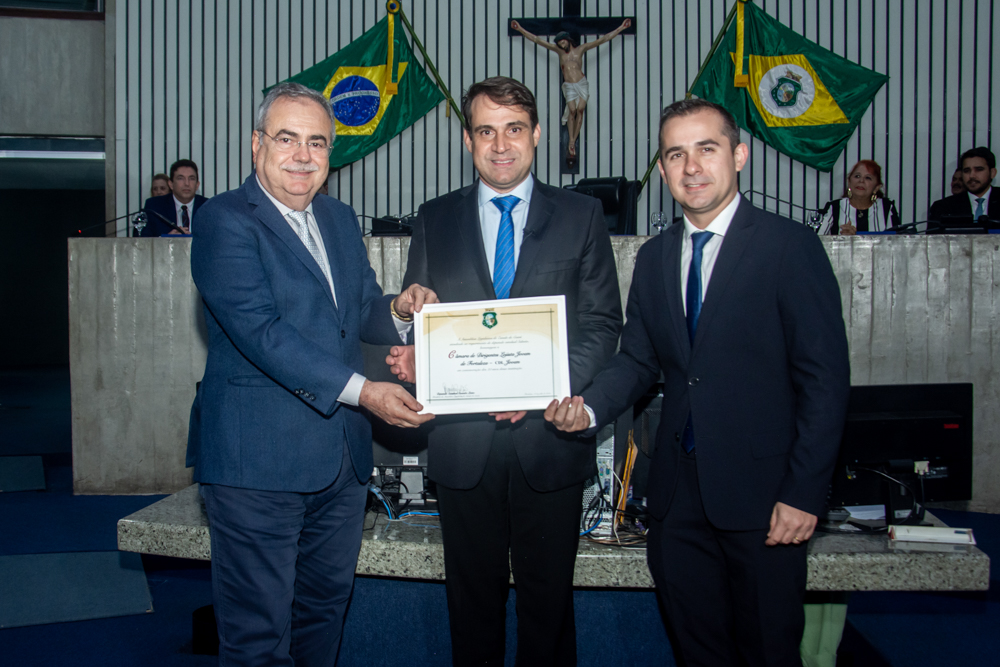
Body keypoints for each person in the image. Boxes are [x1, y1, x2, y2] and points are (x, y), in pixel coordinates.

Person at [544, 98, 850, 666]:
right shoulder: (655, 256)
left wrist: (803, 493)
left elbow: (825, 383)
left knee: (768, 653)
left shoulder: (789, 247)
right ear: (662, 169)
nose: (691, 167)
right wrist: (586, 409)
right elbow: (638, 360)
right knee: (698, 652)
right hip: (676, 504)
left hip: (765, 501)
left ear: (739, 155)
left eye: (706, 149)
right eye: (675, 154)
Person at [187, 81, 436, 666]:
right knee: (258, 637)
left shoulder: (339, 217)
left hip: (341, 463)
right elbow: (262, 332)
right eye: (287, 139)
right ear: (257, 145)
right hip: (256, 465)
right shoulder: (224, 220)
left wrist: (400, 310)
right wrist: (365, 392)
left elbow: (360, 307)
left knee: (323, 618)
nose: (303, 155)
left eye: (317, 142)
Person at [387, 76, 622, 665]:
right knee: (471, 608)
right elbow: (423, 315)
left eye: (514, 129)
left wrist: (540, 388)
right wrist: (413, 340)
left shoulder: (582, 215)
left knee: (548, 608)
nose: (500, 145)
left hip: (549, 441)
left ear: (537, 134)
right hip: (463, 447)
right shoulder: (434, 217)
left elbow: (601, 326)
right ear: (468, 140)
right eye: (486, 131)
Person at [510, 19, 630, 165]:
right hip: (569, 86)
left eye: (563, 42)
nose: (562, 45)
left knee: (580, 110)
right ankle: (571, 141)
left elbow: (603, 39)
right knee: (572, 110)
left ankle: (572, 140)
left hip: (581, 83)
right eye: (559, 43)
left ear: (568, 40)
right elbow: (537, 40)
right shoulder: (559, 52)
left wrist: (621, 28)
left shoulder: (581, 49)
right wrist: (520, 29)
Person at [816, 160, 900, 235]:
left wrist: (855, 238)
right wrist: (842, 239)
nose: (861, 181)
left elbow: (897, 241)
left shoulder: (887, 208)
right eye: (857, 176)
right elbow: (817, 240)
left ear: (876, 187)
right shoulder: (834, 207)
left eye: (868, 178)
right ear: (849, 182)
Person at [929, 147, 1000, 225]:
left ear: (992, 173)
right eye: (966, 171)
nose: (972, 176)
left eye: (979, 169)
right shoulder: (942, 208)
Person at [141, 159, 208, 236]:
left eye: (191, 178)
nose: (187, 183)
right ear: (171, 184)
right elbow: (140, 238)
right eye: (180, 178)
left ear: (197, 185)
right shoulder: (154, 207)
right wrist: (165, 240)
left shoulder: (207, 207)